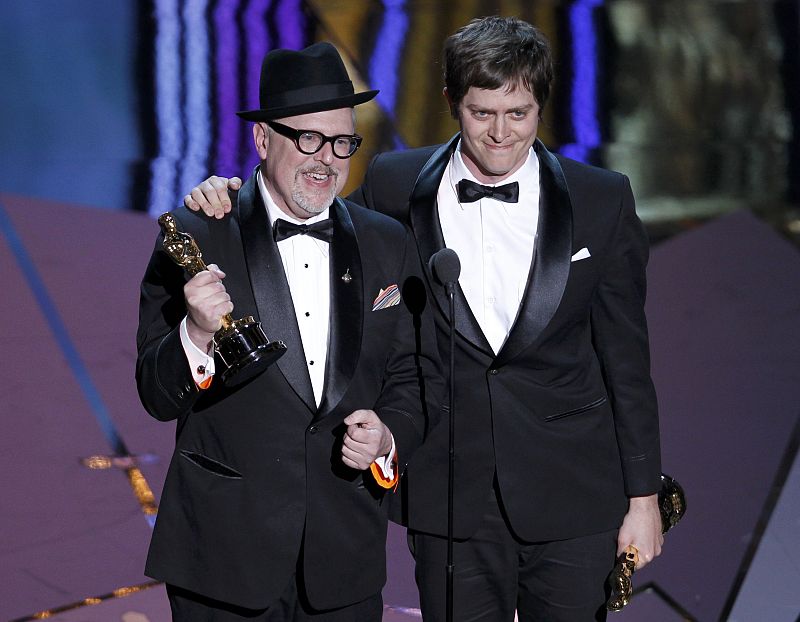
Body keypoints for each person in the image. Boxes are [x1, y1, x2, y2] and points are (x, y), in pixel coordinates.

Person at [185, 16, 664, 622]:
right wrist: (231, 196)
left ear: (541, 105)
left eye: (517, 114)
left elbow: (627, 359)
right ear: (451, 103)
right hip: (448, 493)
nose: (499, 134)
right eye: (481, 113)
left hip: (572, 491)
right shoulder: (394, 184)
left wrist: (643, 499)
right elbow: (305, 215)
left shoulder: (603, 199)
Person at [137, 42, 442, 621]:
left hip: (344, 558)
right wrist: (195, 336)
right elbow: (155, 393)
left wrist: (387, 434)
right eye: (308, 138)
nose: (325, 158)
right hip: (223, 559)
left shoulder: (387, 242)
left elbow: (411, 374)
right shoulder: (199, 231)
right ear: (263, 139)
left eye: (341, 142)